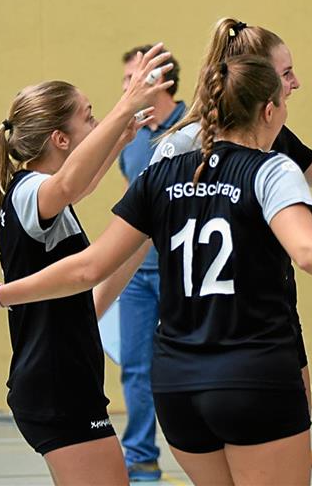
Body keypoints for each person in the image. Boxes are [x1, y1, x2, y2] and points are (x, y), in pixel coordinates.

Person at [0, 55, 312, 485]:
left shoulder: (159, 174)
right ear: (268, 110)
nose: (293, 90)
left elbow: (92, 267)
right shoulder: (270, 168)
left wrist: (9, 295)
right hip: (250, 373)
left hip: (178, 385)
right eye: (286, 80)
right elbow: (311, 253)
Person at [151, 18, 312, 406]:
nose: (296, 83)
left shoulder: (272, 140)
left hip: (269, 327)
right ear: (255, 78)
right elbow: (129, 246)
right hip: (199, 337)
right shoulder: (182, 148)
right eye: (286, 74)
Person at [0, 44, 173, 486]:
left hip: (62, 384)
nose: (98, 122)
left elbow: (89, 282)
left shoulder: (42, 204)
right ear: (59, 139)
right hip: (56, 389)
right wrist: (129, 104)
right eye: (89, 116)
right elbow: (69, 185)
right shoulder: (30, 190)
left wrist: (143, 227)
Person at [116, 44, 184, 482]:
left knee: (188, 361)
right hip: (137, 276)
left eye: (132, 78)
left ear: (159, 81)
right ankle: (140, 455)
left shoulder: (196, 127)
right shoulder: (132, 138)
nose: (125, 88)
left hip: (183, 272)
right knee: (134, 367)